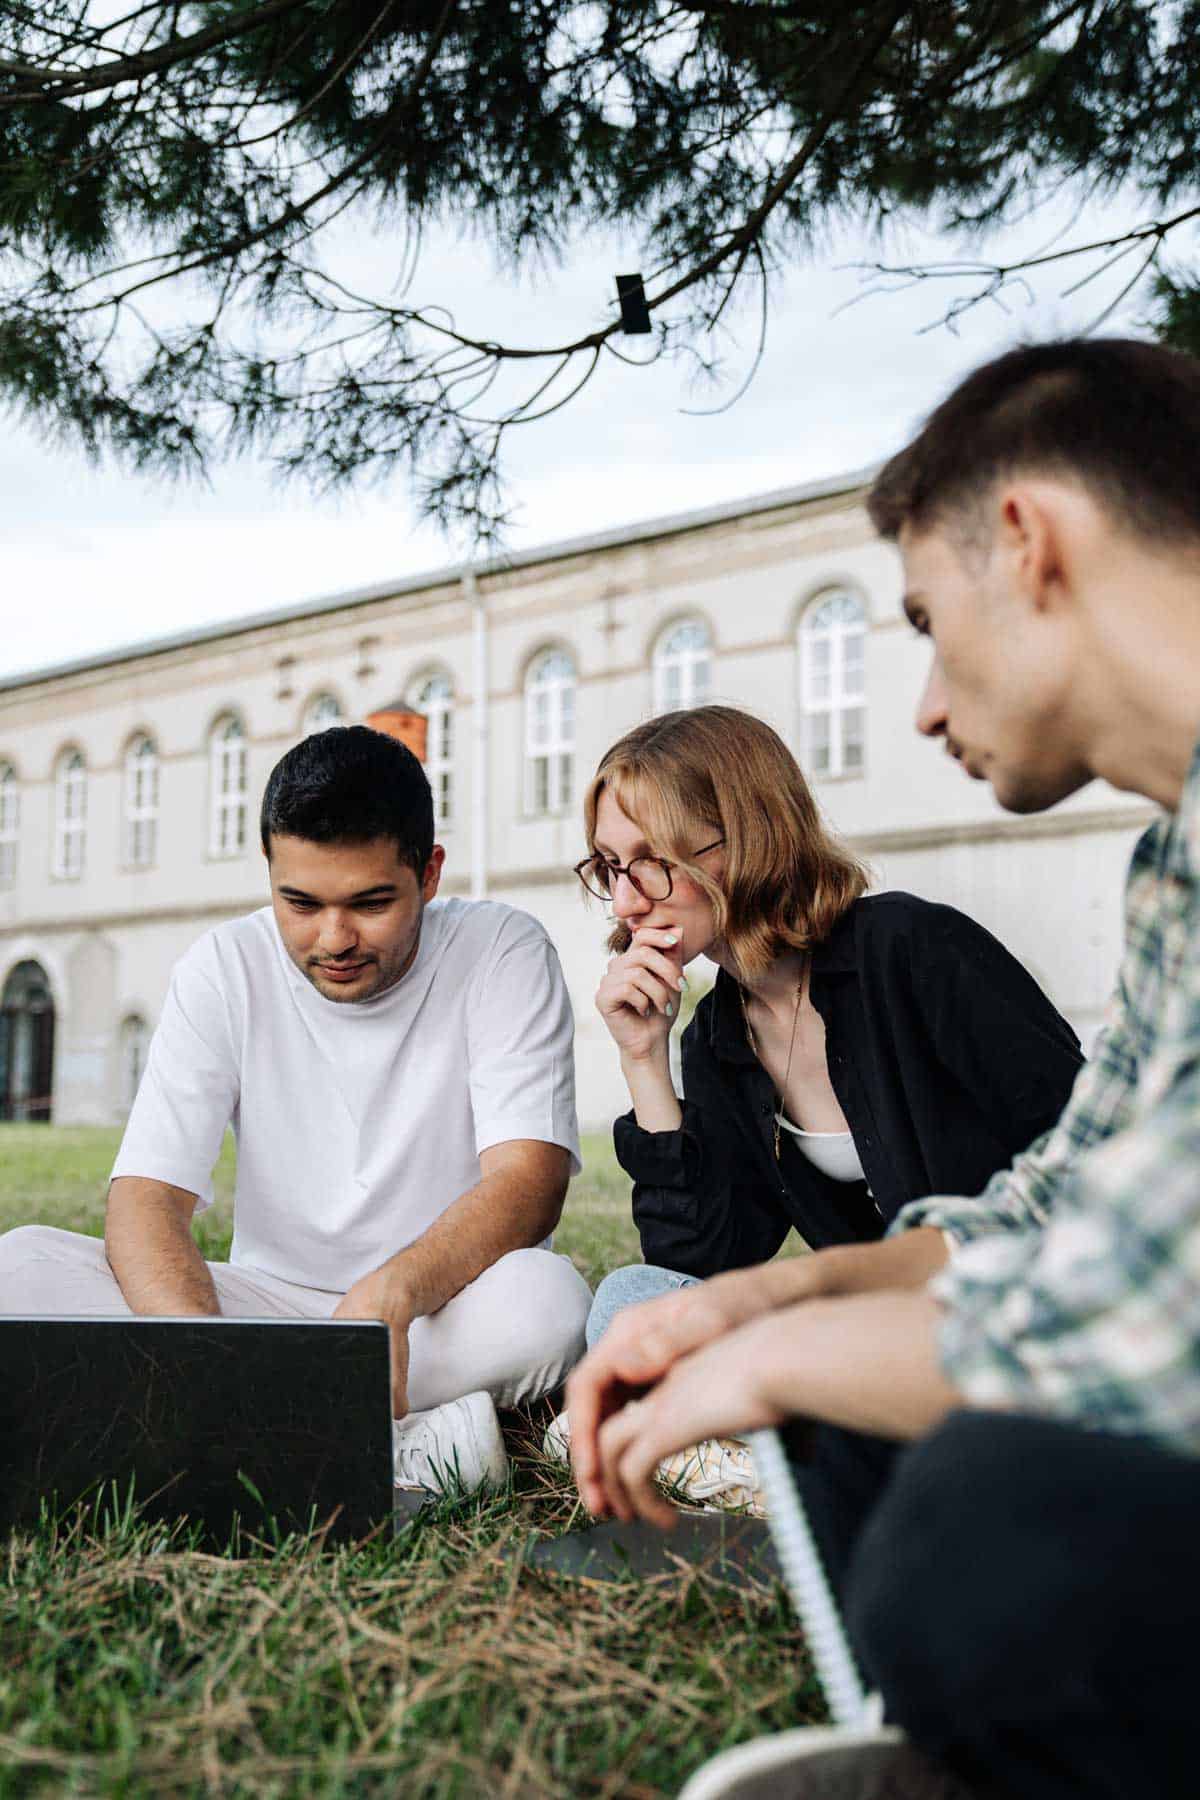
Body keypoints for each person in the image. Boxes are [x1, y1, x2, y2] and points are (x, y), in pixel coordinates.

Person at [567, 337, 1200, 1800]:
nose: (919, 706)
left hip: (1080, 1353)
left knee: (955, 1500)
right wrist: (765, 1296)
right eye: (609, 867)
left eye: (924, 620)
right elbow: (1055, 1200)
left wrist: (786, 1349)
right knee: (678, 1322)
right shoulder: (1173, 869)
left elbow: (1134, 1297)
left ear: (1029, 541)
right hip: (1004, 1313)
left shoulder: (912, 950)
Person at [0, 725, 591, 1496]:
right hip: (262, 1316)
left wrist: (392, 1292)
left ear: (429, 873)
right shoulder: (223, 965)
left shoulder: (503, 949)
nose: (334, 938)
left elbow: (529, 1182)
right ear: (270, 871)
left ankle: (244, 1440)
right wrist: (211, 1362)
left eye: (370, 903)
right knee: (19, 1267)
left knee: (548, 1301)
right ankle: (395, 1446)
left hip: (433, 1310)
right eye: (300, 903)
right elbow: (146, 1198)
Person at [546, 704, 1081, 1512]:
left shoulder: (912, 949)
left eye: (650, 864)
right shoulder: (720, 1036)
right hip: (868, 1330)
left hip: (1013, 1307)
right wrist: (643, 1061)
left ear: (743, 838)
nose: (625, 903)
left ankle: (784, 1458)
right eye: (610, 868)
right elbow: (701, 1264)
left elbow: (1086, 1153)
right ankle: (799, 1458)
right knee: (629, 1302)